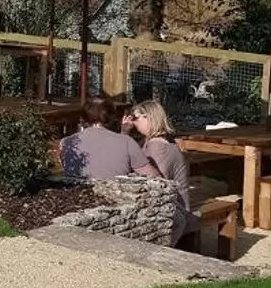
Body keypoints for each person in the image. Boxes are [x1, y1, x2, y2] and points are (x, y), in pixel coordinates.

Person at [128, 100, 195, 244]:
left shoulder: (157, 146)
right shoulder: (153, 140)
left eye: (135, 118)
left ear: (149, 118)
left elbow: (158, 184)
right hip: (173, 201)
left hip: (175, 207)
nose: (132, 123)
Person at [59, 98, 154, 180]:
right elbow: (153, 176)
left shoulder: (66, 143)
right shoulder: (127, 142)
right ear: (111, 117)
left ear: (83, 118)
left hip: (79, 196)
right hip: (116, 196)